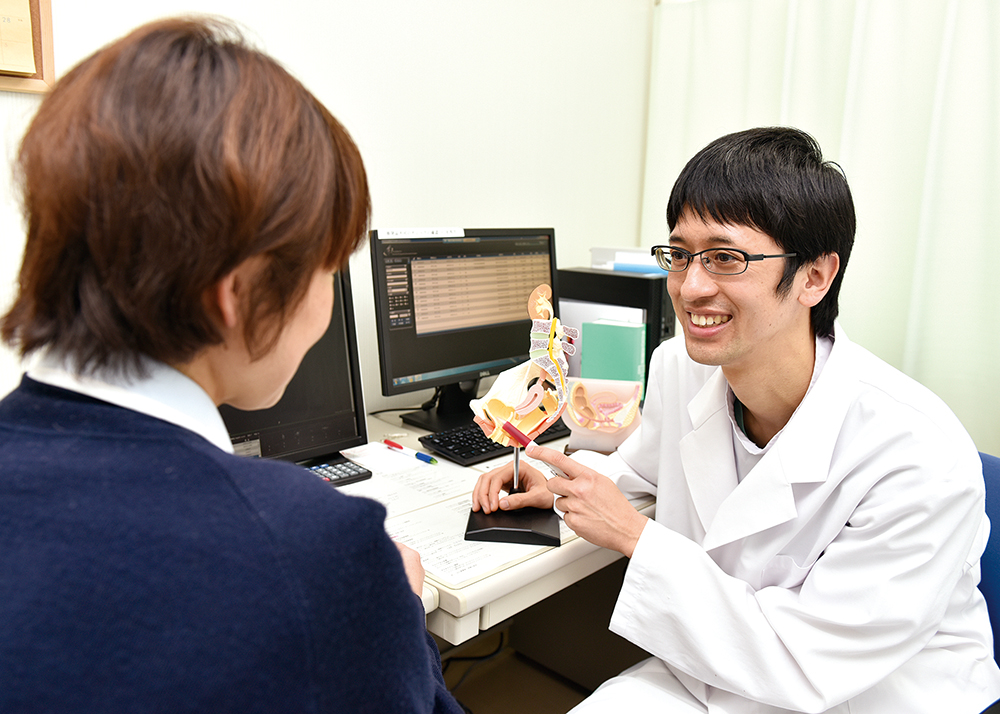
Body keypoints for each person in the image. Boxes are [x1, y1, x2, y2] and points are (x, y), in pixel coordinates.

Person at [0, 17, 462, 714]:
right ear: (239, 295)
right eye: (328, 271)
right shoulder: (318, 548)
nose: (326, 305)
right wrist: (397, 614)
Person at [472, 127, 1000, 712]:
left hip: (863, 696)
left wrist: (631, 534)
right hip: (714, 672)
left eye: (727, 257)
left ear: (815, 277)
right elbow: (643, 470)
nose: (691, 287)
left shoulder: (917, 453)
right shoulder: (680, 366)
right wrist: (561, 484)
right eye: (680, 255)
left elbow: (807, 663)